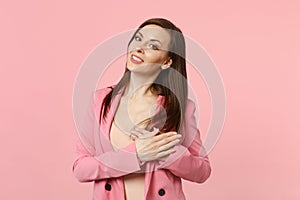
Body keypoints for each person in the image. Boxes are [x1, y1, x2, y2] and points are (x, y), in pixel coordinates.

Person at [72, 17, 211, 200]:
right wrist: (136, 154)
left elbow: (203, 171)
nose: (139, 48)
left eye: (153, 46)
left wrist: (166, 153)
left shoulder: (180, 108)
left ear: (167, 62)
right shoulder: (99, 101)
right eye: (138, 39)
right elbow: (80, 169)